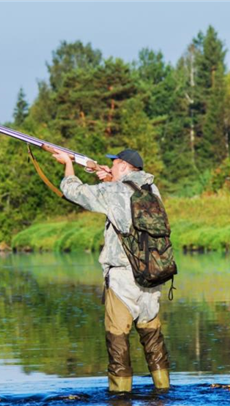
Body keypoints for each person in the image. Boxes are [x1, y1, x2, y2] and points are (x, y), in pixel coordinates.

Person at [52, 148, 170, 392]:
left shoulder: (114, 190)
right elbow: (125, 193)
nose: (111, 167)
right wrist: (108, 176)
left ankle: (120, 400)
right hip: (152, 275)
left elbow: (73, 191)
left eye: (115, 164)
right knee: (152, 338)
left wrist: (68, 165)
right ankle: (163, 391)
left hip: (123, 277)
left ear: (125, 167)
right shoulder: (151, 190)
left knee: (117, 339)